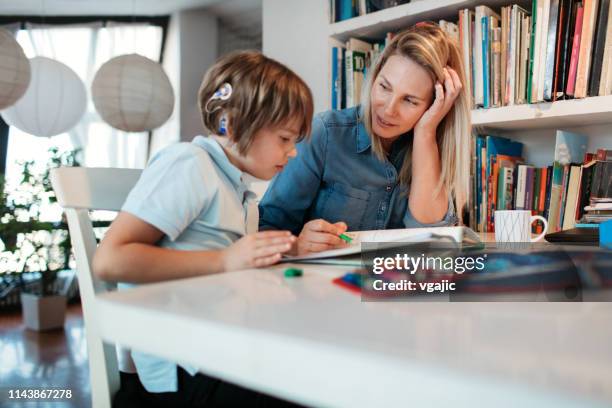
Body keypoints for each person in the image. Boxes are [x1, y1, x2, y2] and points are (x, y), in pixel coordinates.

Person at [93, 50, 313, 407]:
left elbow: (219, 260)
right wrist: (225, 261)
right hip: (185, 365)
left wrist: (281, 250)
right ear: (237, 125)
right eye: (286, 139)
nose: (293, 153)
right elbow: (110, 260)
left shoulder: (236, 190)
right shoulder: (189, 165)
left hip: (217, 348)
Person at [259, 23, 471, 255]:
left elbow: (433, 242)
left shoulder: (435, 149)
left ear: (435, 105)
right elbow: (266, 228)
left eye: (410, 100)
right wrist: (297, 245)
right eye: (384, 87)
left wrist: (425, 133)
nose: (388, 110)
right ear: (374, 76)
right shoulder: (326, 133)